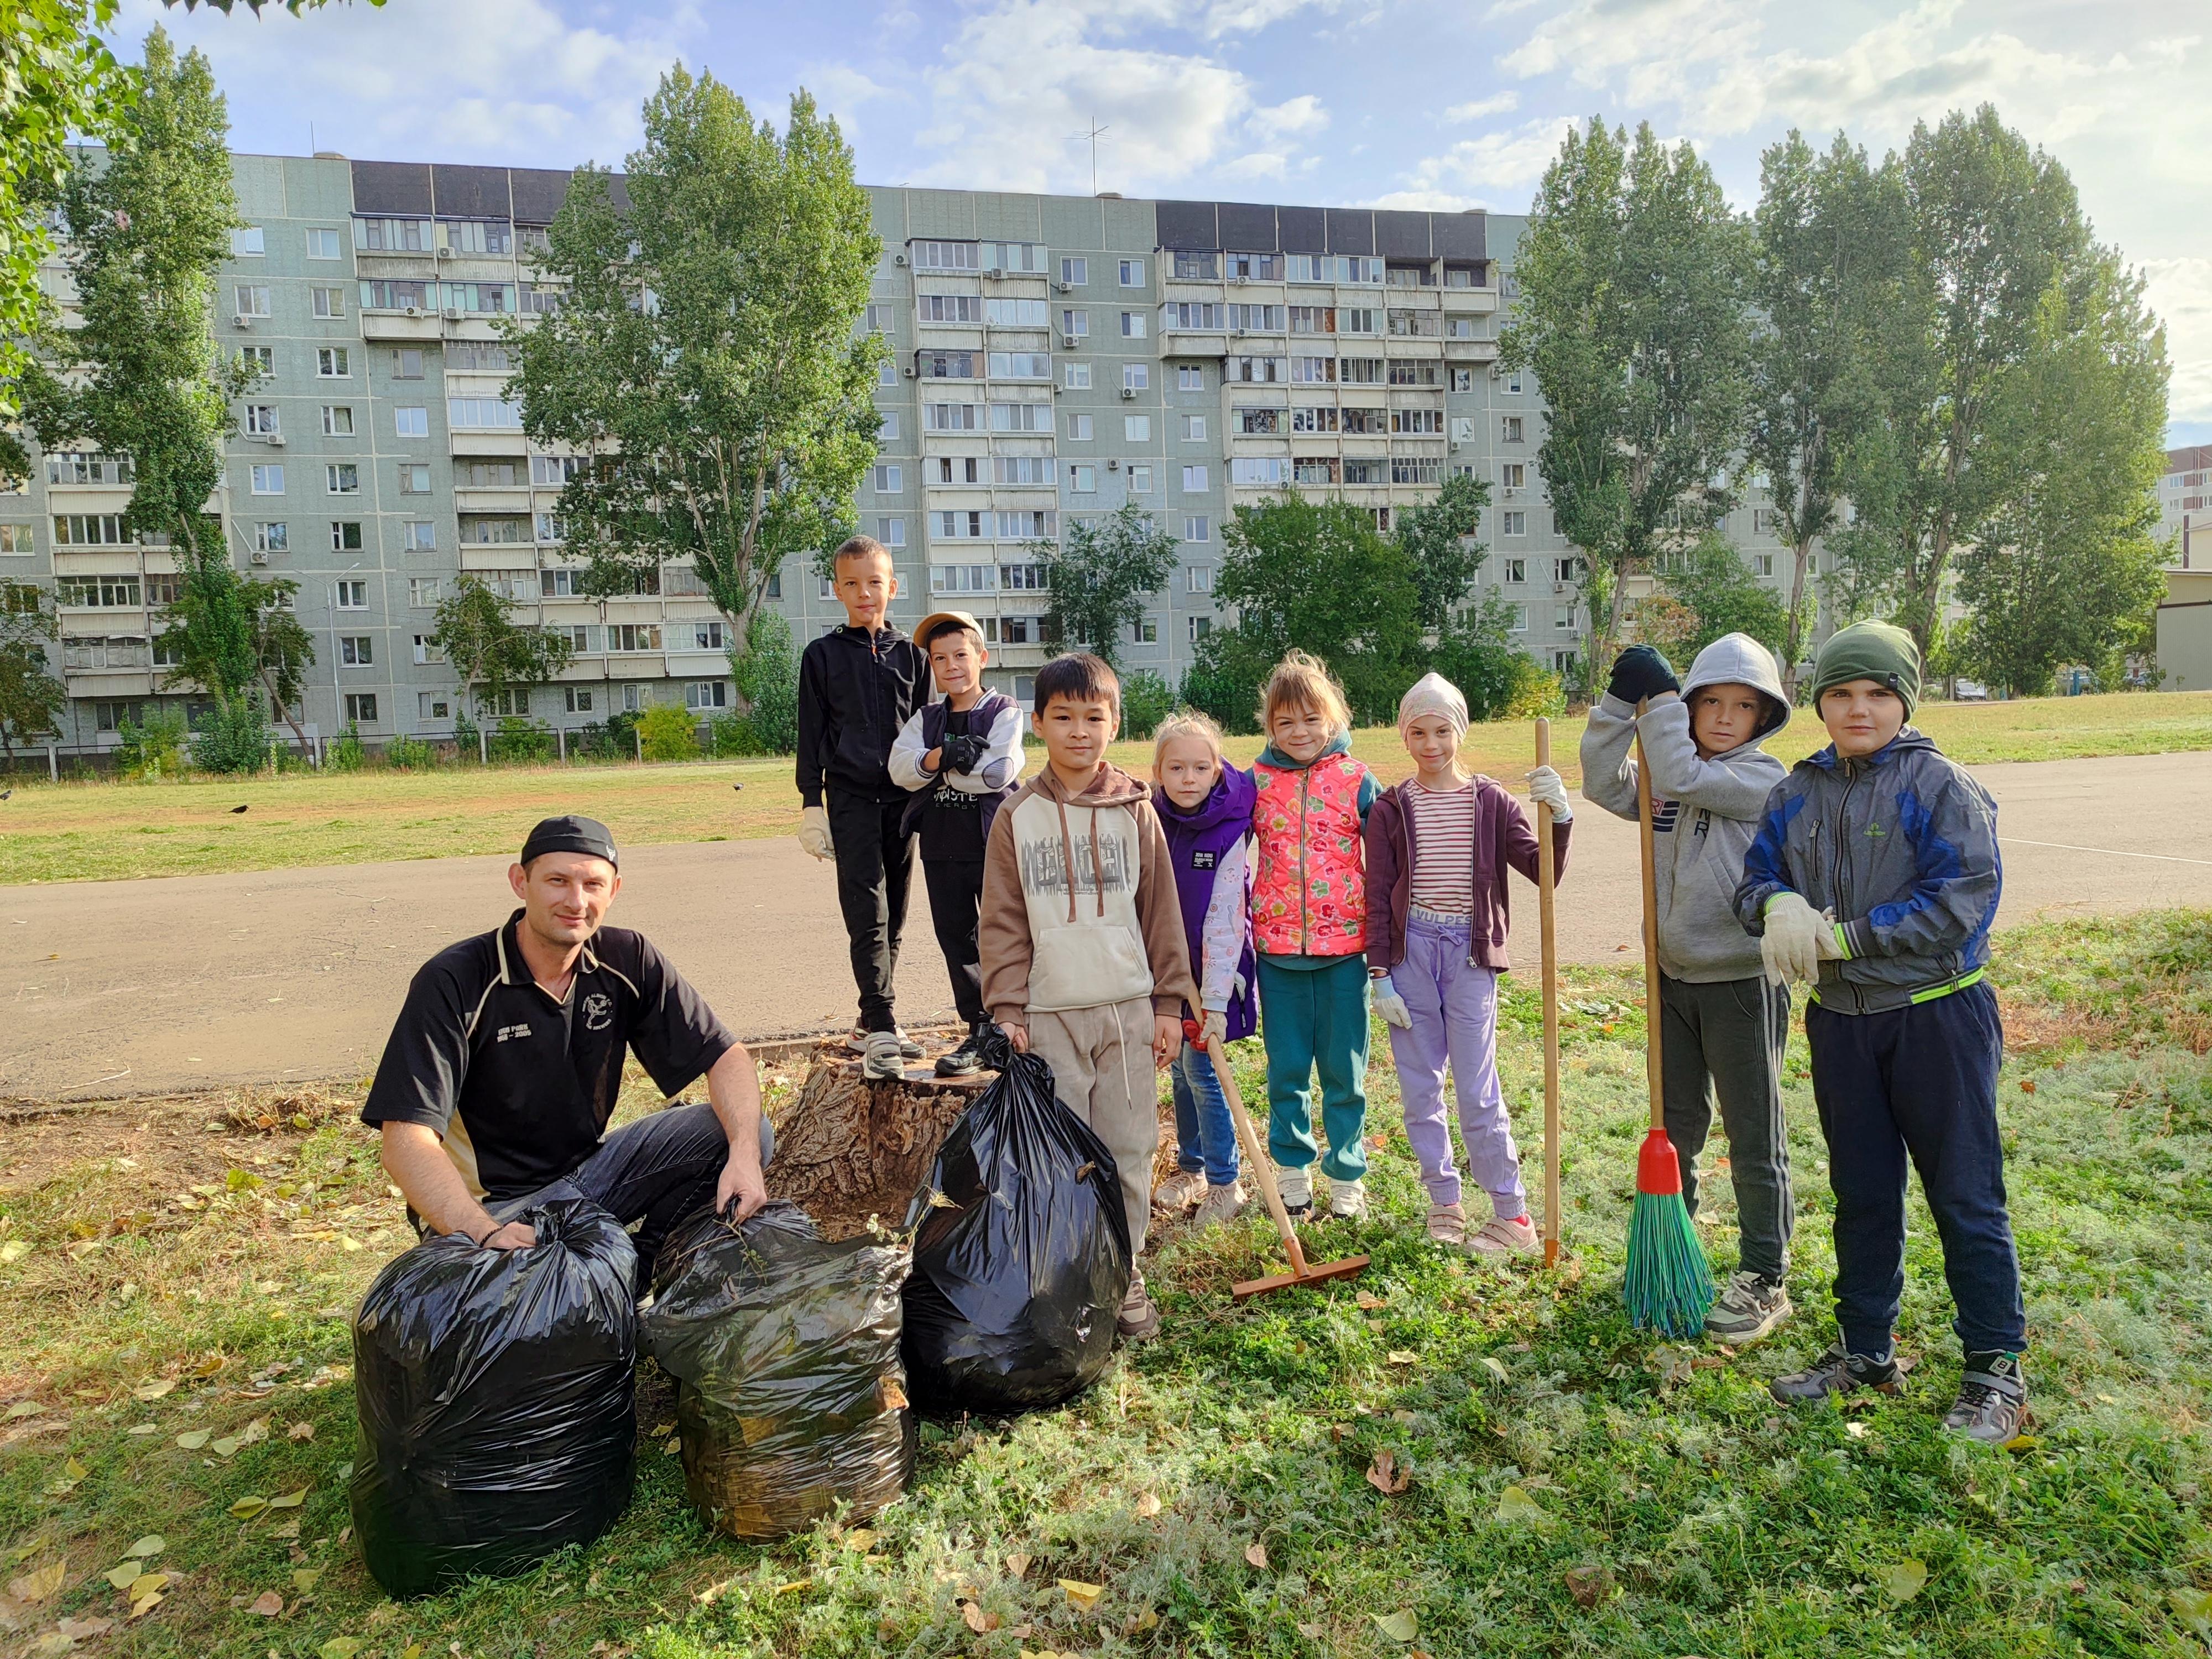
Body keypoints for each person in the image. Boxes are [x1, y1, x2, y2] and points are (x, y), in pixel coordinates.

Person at [1736, 620, 2027, 1443]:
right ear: (1818, 702)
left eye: (1876, 694)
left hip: (1937, 1016)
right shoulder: (1795, 793)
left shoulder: (1941, 788)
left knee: (1965, 1196)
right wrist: (1776, 905)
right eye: (1840, 694)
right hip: (1843, 1025)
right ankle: (1866, 1350)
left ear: (1904, 700)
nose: (1858, 709)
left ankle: (1995, 1370)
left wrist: (1848, 937)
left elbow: (1959, 901)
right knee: (1864, 1193)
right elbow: (1756, 877)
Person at [362, 815, 771, 1290]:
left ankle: (643, 1277)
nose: (576, 901)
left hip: (590, 1176)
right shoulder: (455, 980)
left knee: (744, 1132)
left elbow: (726, 1057)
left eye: (592, 884)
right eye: (557, 881)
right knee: (526, 1316)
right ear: (521, 882)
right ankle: (588, 1282)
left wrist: (743, 1154)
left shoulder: (628, 958)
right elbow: (405, 1140)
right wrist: (482, 1230)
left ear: (614, 890)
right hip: (495, 1207)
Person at [1580, 636, 1797, 1343]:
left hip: (1740, 982)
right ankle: (1677, 1250)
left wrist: (1665, 703)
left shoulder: (1763, 779)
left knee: (1752, 1130)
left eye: (1744, 706)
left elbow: (1675, 770)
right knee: (1676, 1127)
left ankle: (1766, 1273)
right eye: (1710, 702)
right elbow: (1600, 779)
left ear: (1765, 718)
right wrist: (1619, 703)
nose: (1726, 717)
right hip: (1671, 979)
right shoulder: (1668, 778)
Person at [979, 652, 1199, 1340]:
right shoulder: (1017, 816)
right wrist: (1008, 1008)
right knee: (1063, 1157)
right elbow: (1003, 919)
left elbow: (1161, 911)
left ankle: (1124, 1276)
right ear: (1038, 723)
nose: (1080, 731)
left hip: (1128, 1009)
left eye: (1094, 717)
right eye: (1064, 717)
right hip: (1049, 1016)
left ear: (1114, 724)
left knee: (1129, 1149)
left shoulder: (1137, 809)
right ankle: (1071, 1280)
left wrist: (1168, 1003)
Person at [1364, 672, 1573, 1256]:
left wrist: (1559, 816)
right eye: (1418, 733)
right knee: (1419, 1088)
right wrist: (1378, 974)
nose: (1430, 745)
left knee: (1478, 1089)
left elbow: (1545, 874)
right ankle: (1444, 1203)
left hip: (1469, 953)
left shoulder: (1491, 802)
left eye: (1441, 731)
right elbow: (1377, 894)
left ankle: (1513, 1216)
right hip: (1409, 955)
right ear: (1405, 736)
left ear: (1460, 731)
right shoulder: (1390, 808)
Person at [1249, 650, 1381, 1220]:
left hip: (1344, 956)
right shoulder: (1253, 782)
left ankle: (1347, 1172)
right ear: (1270, 726)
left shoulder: (1357, 779)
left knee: (1343, 1074)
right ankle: (1292, 1169)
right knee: (1286, 1072)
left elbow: (1394, 858)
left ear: (1333, 719)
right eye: (1285, 722)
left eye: (1311, 719)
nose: (1299, 732)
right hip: (1277, 956)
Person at [796, 535, 931, 1079]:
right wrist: (811, 804)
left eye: (874, 582)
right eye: (851, 583)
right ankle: (880, 1024)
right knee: (866, 914)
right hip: (849, 798)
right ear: (837, 590)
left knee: (895, 915)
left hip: (903, 804)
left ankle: (869, 1021)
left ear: (892, 587)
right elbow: (811, 734)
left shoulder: (913, 657)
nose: (864, 592)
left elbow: (927, 730)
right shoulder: (822, 656)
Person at [887, 609, 1026, 1077]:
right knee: (957, 941)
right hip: (941, 846)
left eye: (961, 655)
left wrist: (936, 766)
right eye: (939, 658)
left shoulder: (1004, 711)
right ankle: (978, 1030)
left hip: (992, 844)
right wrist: (940, 756)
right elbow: (899, 771)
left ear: (981, 657)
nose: (951, 666)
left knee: (1004, 934)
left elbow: (996, 774)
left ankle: (1013, 1025)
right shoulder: (926, 718)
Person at [1147, 709, 1258, 1230]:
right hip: (1169, 970)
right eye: (1176, 769)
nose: (1187, 779)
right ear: (1158, 772)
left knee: (1203, 1072)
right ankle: (1191, 1166)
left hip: (1212, 971)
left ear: (1217, 771)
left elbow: (1226, 920)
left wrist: (1213, 1000)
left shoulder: (1230, 827)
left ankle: (1224, 1183)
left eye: (1199, 768)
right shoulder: (1150, 817)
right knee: (1182, 1072)